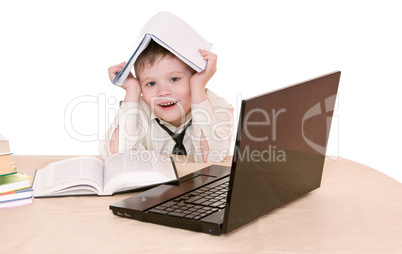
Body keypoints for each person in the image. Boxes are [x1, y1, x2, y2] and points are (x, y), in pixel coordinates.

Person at [99, 40, 233, 162]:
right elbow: (116, 155)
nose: (163, 92)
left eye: (174, 79)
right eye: (151, 83)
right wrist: (132, 89)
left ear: (194, 76)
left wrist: (198, 86)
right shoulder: (139, 111)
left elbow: (210, 159)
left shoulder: (218, 108)